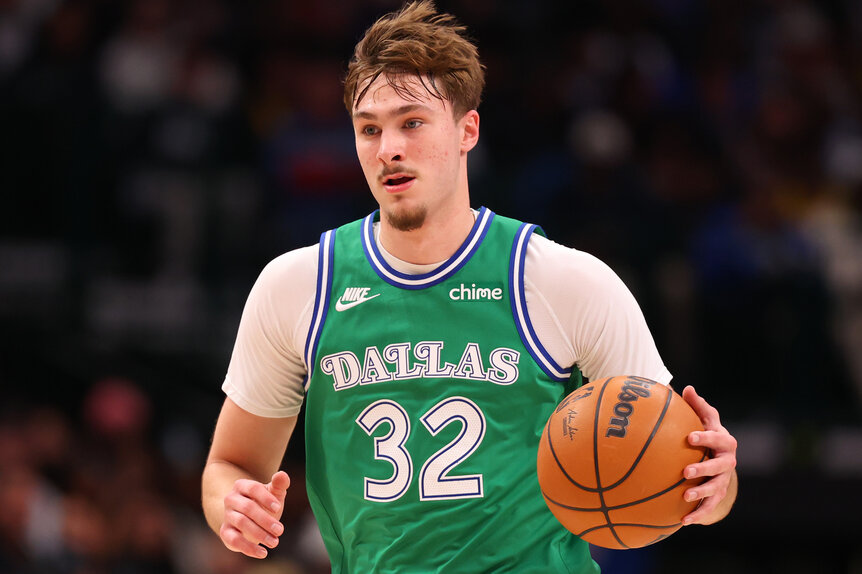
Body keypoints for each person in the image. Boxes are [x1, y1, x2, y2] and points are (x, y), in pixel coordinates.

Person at [201, 2, 738, 572]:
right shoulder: (298, 285)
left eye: (411, 122)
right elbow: (229, 466)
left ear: (467, 130)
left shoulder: (563, 281)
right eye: (369, 129)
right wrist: (231, 505)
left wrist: (713, 488)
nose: (389, 149)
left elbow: (687, 481)